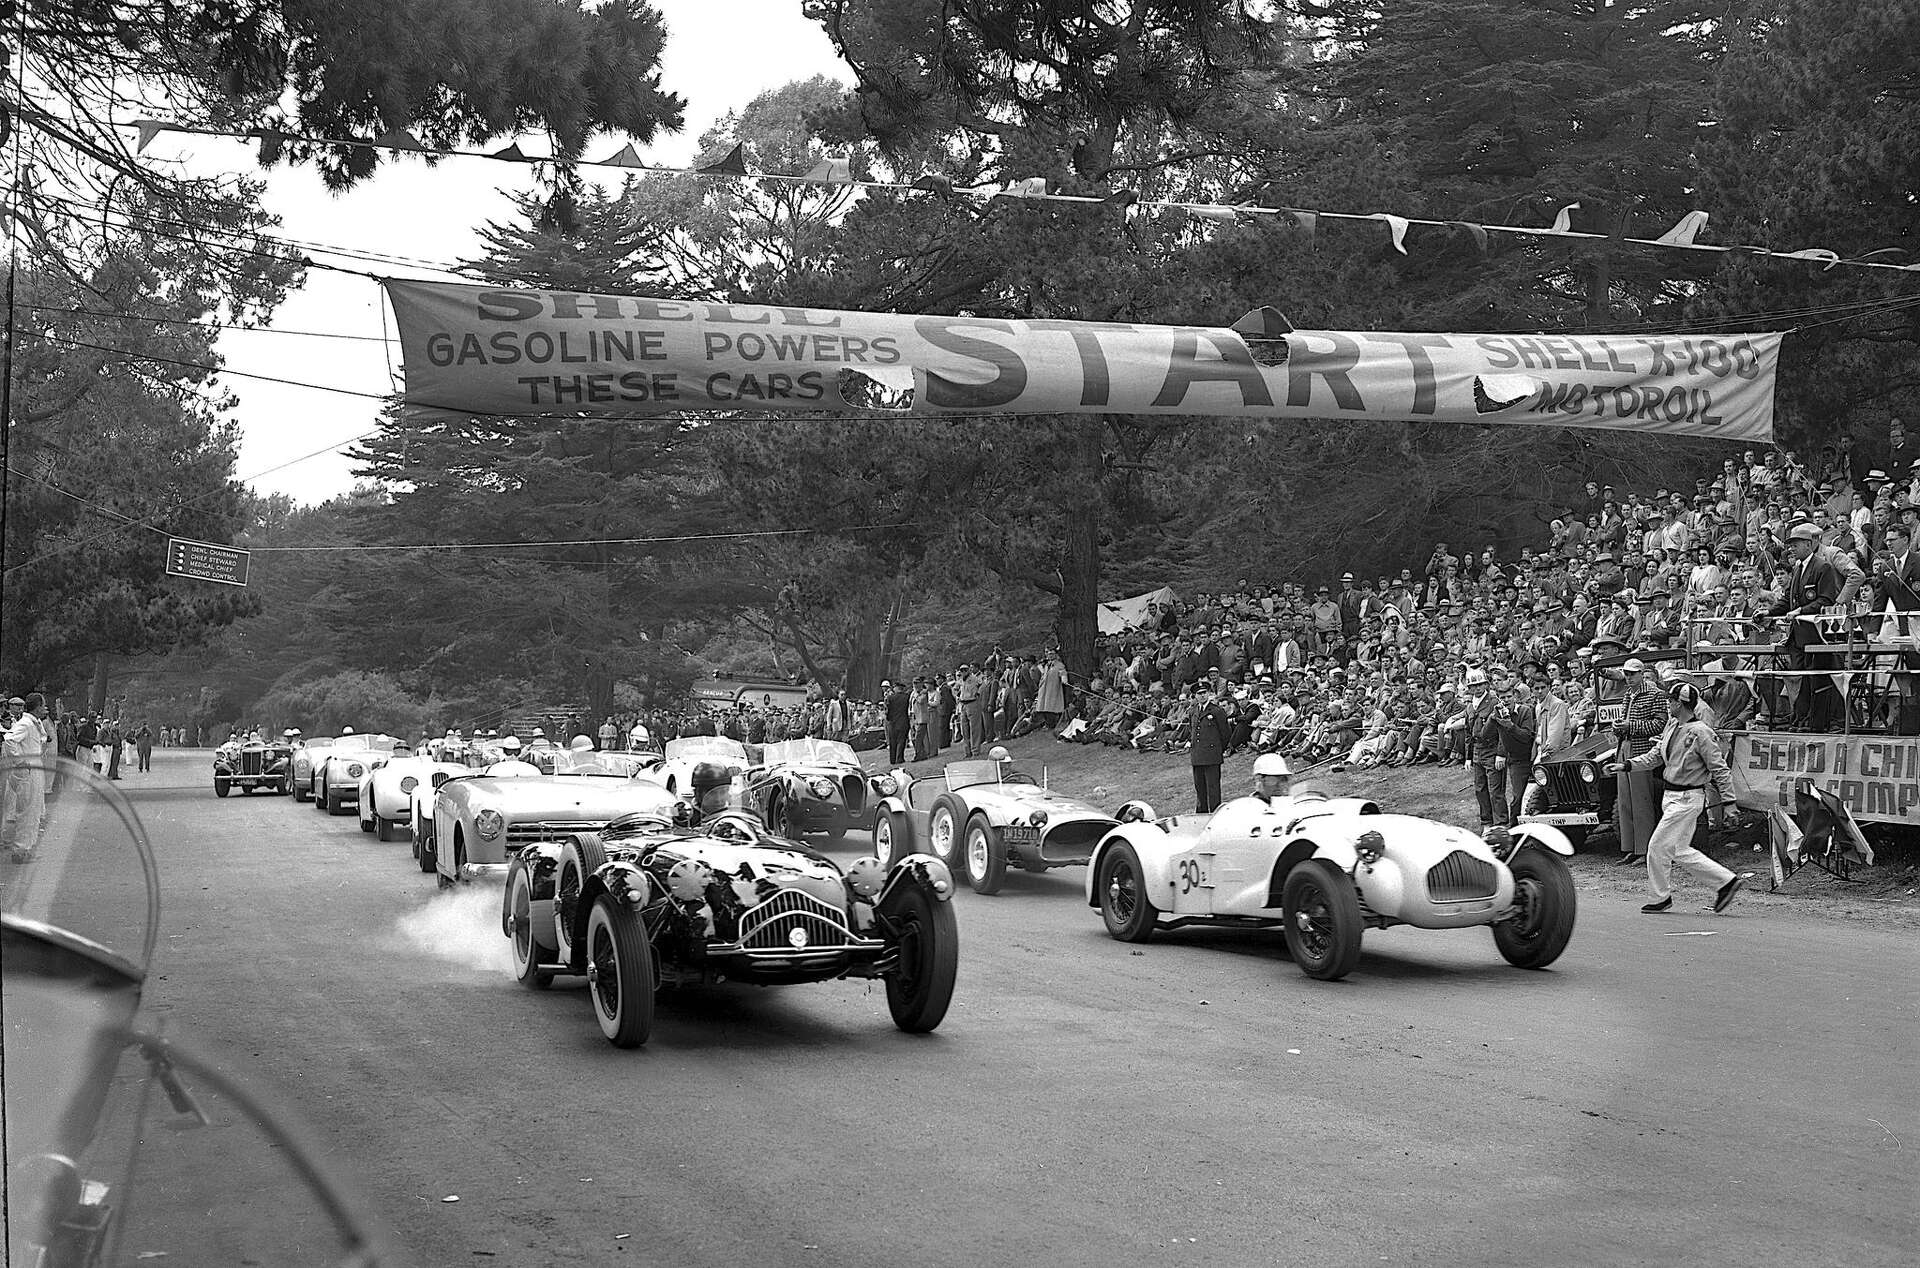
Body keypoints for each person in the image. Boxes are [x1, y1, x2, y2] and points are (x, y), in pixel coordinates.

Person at [1612, 681, 1743, 914]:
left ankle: (1659, 897)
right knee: (1678, 849)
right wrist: (1628, 765)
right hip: (1672, 795)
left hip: (1687, 797)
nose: (1667, 703)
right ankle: (1726, 882)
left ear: (1680, 704)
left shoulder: (1702, 732)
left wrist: (1729, 802)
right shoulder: (1672, 725)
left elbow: (1719, 768)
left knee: (1656, 846)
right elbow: (1656, 755)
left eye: (1670, 700)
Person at [1613, 658, 1667, 865]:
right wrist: (1618, 727)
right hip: (1625, 746)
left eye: (1633, 674)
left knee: (1641, 801)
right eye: (1626, 674)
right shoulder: (1629, 694)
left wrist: (1630, 725)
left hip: (1642, 749)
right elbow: (1625, 722)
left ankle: (1644, 849)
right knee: (1625, 800)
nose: (1629, 677)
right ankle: (1631, 847)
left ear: (1641, 673)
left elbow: (1660, 724)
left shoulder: (1655, 694)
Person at [2, 693, 52, 862]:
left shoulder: (34, 723)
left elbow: (43, 739)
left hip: (35, 765)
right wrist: (20, 760)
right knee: (27, 810)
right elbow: (9, 739)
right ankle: (20, 849)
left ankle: (26, 847)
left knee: (35, 809)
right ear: (37, 706)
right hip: (28, 769)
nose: (45, 708)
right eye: (43, 705)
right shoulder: (25, 723)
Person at [1188, 683, 1232, 814]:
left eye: (1204, 692)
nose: (1202, 695)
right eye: (1199, 694)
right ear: (1195, 696)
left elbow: (1225, 733)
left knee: (1213, 788)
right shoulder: (1193, 711)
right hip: (1197, 755)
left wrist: (1218, 749)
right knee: (1200, 788)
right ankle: (1201, 813)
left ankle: (1214, 813)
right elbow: (1192, 730)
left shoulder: (1217, 711)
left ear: (1208, 693)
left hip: (1212, 755)